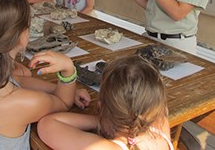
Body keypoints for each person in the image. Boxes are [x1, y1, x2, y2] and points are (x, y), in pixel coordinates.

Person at [0, 0, 90, 149]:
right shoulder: (22, 102)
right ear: (20, 36)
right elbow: (63, 102)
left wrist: (55, 89)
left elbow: (19, 80)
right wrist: (68, 70)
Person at [37, 55, 174, 150]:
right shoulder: (161, 127)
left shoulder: (103, 147)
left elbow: (47, 124)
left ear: (101, 106)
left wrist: (100, 120)